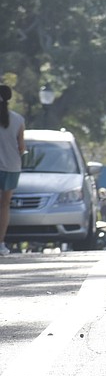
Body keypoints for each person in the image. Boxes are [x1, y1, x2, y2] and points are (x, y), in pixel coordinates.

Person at [0, 85, 25, 256]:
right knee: (4, 205)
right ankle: (1, 243)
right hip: (11, 166)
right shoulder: (18, 120)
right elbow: (21, 148)